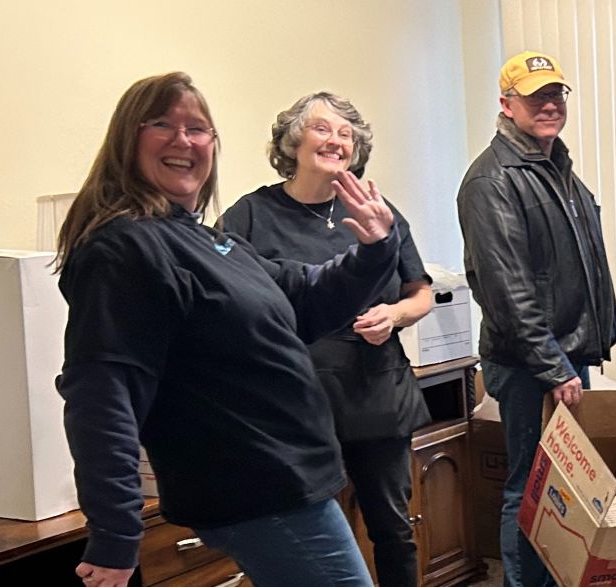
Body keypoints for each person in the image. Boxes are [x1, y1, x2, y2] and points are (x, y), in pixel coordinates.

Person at [54, 72, 402, 587]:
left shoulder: (204, 241)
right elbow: (102, 393)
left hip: (287, 483)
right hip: (259, 489)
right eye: (161, 124)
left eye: (198, 129)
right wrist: (115, 532)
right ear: (126, 140)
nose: (183, 140)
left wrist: (375, 249)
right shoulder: (123, 249)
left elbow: (302, 298)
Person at [215, 92, 433, 587]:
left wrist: (395, 314)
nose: (335, 141)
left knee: (394, 530)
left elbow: (421, 293)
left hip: (374, 390)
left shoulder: (377, 212)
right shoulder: (249, 215)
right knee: (310, 534)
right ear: (292, 141)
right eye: (322, 129)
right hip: (292, 402)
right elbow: (225, 303)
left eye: (346, 134)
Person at [457, 51, 616, 587]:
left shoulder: (556, 169)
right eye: (534, 97)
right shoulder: (492, 179)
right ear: (506, 105)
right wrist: (554, 367)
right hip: (534, 364)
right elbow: (507, 291)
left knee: (564, 487)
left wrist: (571, 361)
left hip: (564, 357)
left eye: (556, 95)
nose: (548, 105)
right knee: (530, 487)